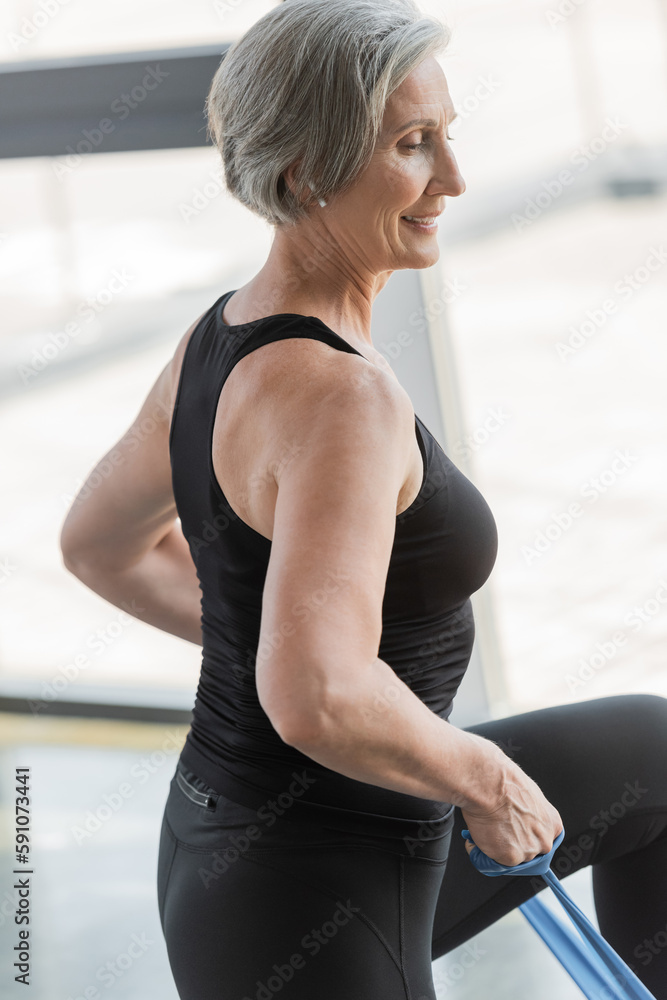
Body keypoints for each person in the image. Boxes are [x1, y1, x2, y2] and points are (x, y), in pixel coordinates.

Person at [59, 1, 667, 997]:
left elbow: (97, 543)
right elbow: (319, 694)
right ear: (306, 170)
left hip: (231, 833)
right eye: (412, 144)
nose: (454, 178)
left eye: (448, 136)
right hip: (312, 894)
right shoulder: (341, 398)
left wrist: (282, 636)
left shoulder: (220, 335)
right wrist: (487, 779)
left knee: (651, 749)